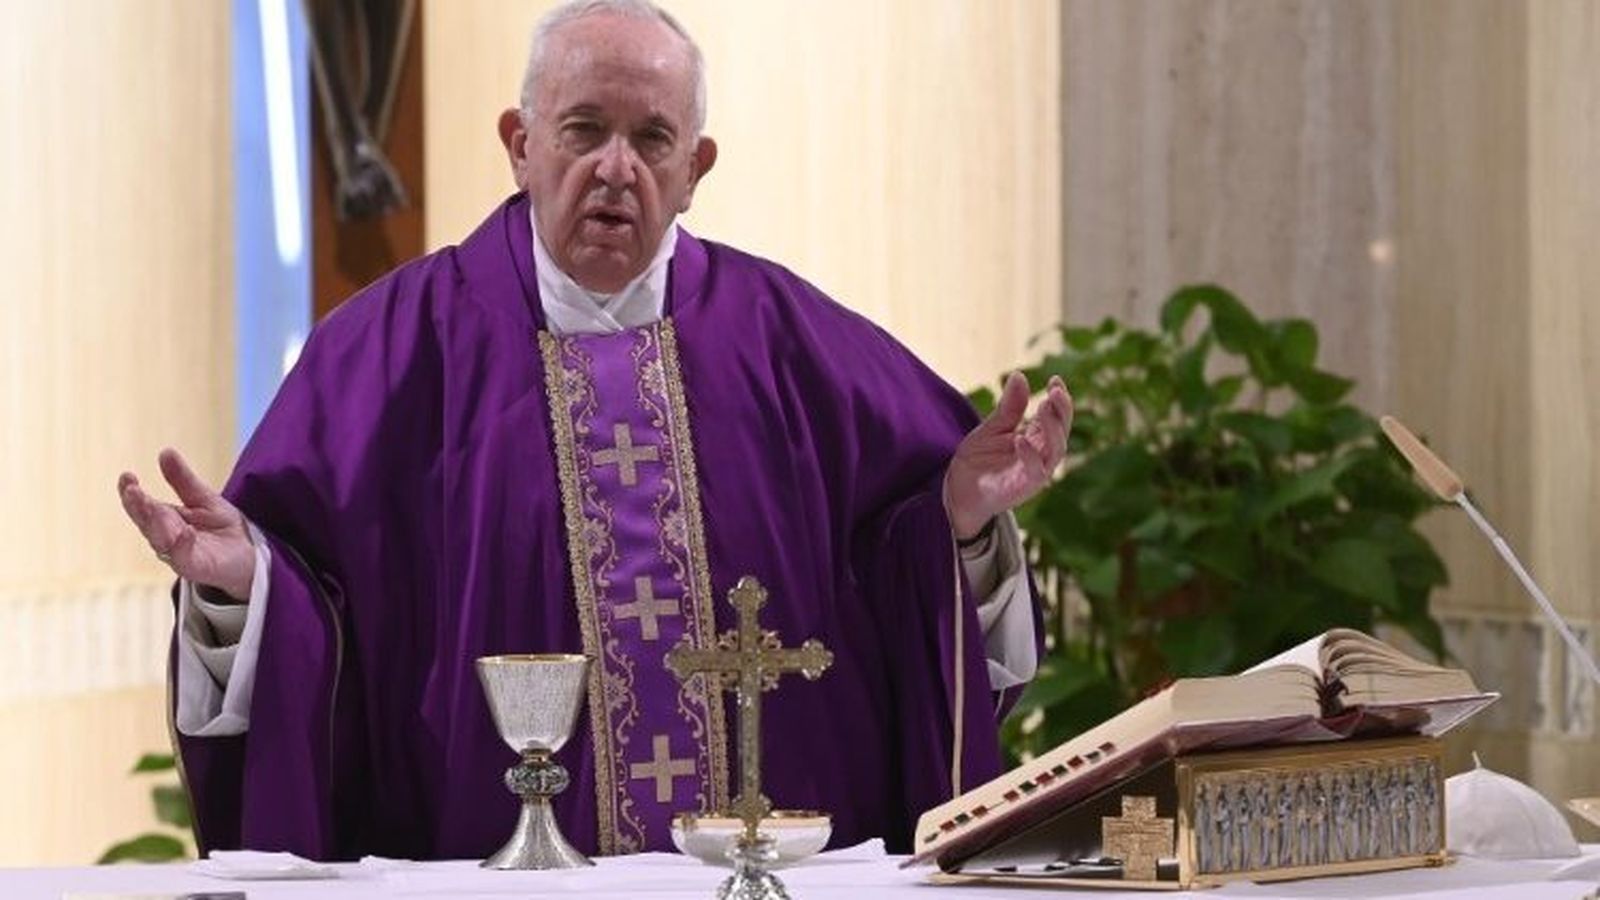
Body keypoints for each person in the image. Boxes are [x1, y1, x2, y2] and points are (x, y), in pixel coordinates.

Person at [117, 0, 1072, 860]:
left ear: (695, 169)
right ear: (519, 143)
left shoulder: (795, 346)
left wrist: (960, 522)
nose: (616, 168)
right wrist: (249, 589)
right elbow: (309, 605)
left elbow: (912, 571)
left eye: (652, 138)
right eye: (584, 130)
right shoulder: (388, 353)